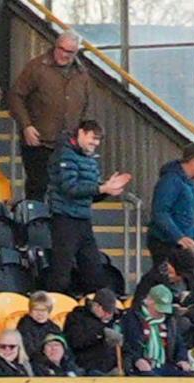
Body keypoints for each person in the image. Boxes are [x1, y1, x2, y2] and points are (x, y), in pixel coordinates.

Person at [45, 119, 129, 295]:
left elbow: (90, 194)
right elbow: (70, 188)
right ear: (81, 133)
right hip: (64, 219)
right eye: (93, 138)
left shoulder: (90, 159)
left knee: (94, 271)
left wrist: (107, 189)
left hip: (83, 219)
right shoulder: (64, 155)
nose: (95, 144)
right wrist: (101, 188)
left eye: (98, 140)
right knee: (61, 271)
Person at [9, 28, 89, 204]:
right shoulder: (36, 67)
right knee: (38, 187)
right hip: (38, 140)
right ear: (55, 46)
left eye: (69, 52)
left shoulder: (82, 73)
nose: (63, 54)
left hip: (68, 142)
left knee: (65, 189)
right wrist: (26, 126)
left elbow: (84, 106)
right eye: (60, 48)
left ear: (76, 52)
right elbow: (16, 96)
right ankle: (34, 225)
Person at [146, 144, 194, 277]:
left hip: (179, 242)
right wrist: (178, 236)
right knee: (167, 279)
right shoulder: (170, 180)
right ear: (193, 160)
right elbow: (160, 212)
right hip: (165, 242)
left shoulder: (188, 183)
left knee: (175, 279)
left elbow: (186, 218)